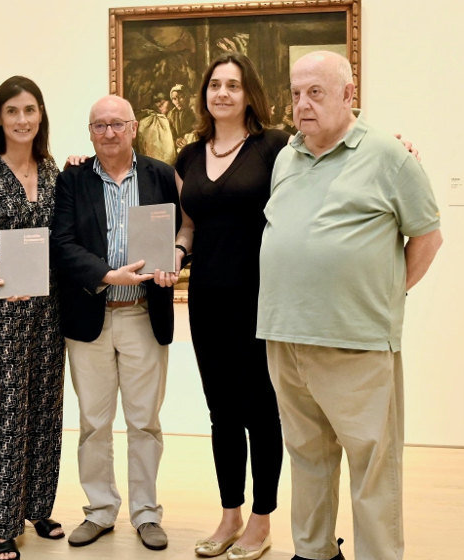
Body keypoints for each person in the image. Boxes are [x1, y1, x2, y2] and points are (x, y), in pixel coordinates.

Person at [257, 51, 442, 560]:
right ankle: (314, 552)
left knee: (372, 468)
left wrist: (383, 294)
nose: (302, 104)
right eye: (295, 94)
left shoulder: (388, 155)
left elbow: (427, 237)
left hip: (356, 341)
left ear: (348, 94)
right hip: (286, 337)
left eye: (315, 92)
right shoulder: (286, 158)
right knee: (307, 457)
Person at [172, 52, 288, 560]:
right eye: (215, 84)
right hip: (206, 299)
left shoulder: (275, 145)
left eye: (233, 85)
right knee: (221, 412)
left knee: (261, 409)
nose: (222, 93)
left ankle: (261, 520)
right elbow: (189, 226)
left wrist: (395, 143)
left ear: (248, 94)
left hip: (261, 297)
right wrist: (175, 254)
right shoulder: (189, 156)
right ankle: (229, 515)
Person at [51, 94, 180, 552]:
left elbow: (181, 230)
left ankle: (146, 513)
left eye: (117, 124)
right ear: (90, 132)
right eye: (99, 125)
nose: (108, 133)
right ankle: (101, 510)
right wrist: (106, 275)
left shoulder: (160, 175)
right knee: (93, 421)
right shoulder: (71, 179)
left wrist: (176, 258)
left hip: (144, 314)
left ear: (133, 129)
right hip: (91, 315)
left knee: (145, 421)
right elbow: (61, 243)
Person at [0, 76, 67, 560]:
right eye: (13, 111)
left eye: (30, 110)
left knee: (46, 399)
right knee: (8, 403)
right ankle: (3, 522)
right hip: (1, 300)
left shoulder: (54, 171)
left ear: (40, 115)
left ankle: (38, 504)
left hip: (49, 301)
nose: (22, 119)